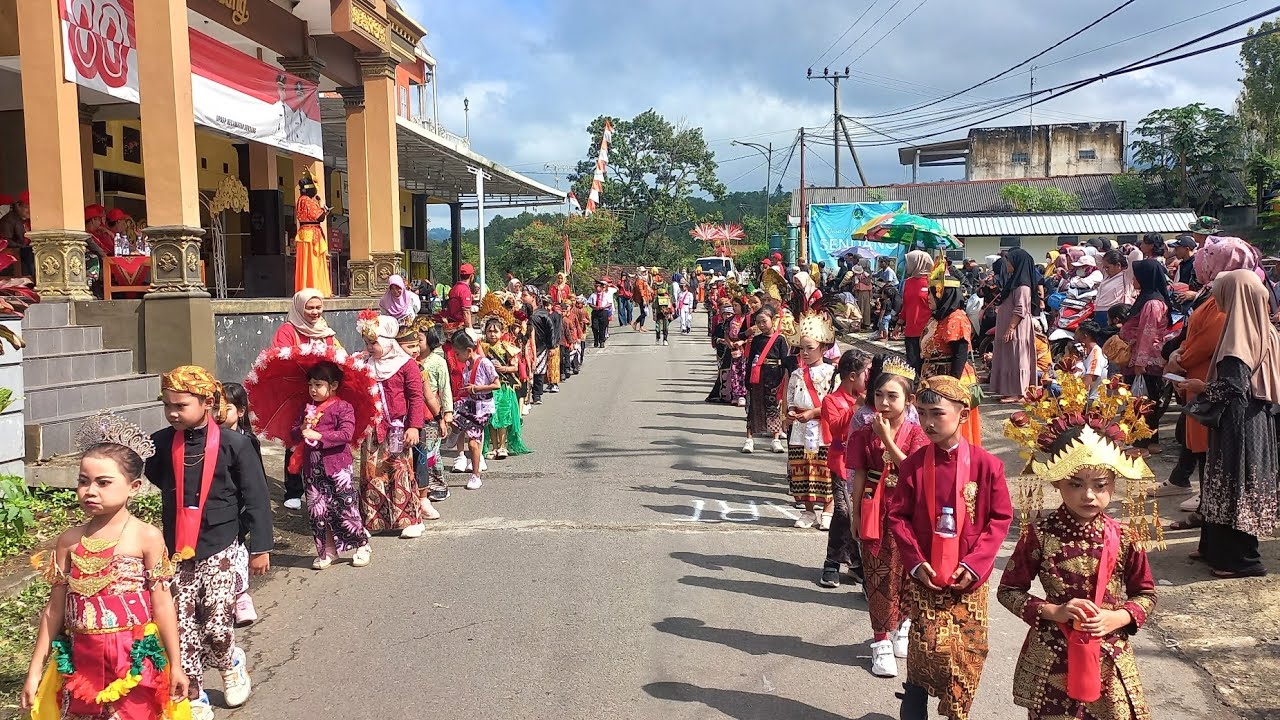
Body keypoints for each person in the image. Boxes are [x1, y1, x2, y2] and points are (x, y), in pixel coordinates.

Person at [21, 414, 189, 720]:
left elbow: (163, 604)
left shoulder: (146, 537)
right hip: (81, 659)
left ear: (134, 486)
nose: (90, 491)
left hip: (133, 658)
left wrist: (176, 665)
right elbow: (54, 610)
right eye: (83, 481)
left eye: (103, 482)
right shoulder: (69, 541)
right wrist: (34, 672)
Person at [998, 410, 1158, 720]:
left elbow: (1146, 594)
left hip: (1109, 654)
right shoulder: (1040, 534)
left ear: (1113, 482)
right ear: (1057, 481)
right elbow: (1008, 590)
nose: (1089, 495)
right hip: (1051, 654)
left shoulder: (1125, 536)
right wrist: (1053, 611)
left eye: (1100, 485)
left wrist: (1119, 617)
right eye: (1075, 484)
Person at [147, 367, 273, 718]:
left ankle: (231, 663)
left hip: (221, 545)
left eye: (181, 405)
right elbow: (157, 477)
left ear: (206, 402)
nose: (173, 413)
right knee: (182, 627)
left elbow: (256, 496)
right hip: (178, 551)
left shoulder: (235, 444)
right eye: (167, 405)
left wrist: (261, 547)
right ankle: (194, 693)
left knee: (217, 626)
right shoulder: (159, 443)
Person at [888, 375, 1013, 720]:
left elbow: (1000, 519)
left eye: (937, 413)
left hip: (968, 579)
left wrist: (974, 564)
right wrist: (915, 562)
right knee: (926, 644)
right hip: (926, 574)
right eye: (923, 413)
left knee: (969, 652)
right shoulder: (913, 465)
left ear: (962, 414)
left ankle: (957, 712)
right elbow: (898, 517)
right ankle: (914, 699)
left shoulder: (988, 466)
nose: (928, 422)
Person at [1179, 270, 1280, 578]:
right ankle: (1213, 548)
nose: (1216, 297)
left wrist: (1201, 387)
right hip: (1256, 418)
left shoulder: (1238, 336)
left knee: (1233, 481)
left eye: (1221, 291)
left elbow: (1233, 387)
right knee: (1222, 479)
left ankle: (1240, 560)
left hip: (1239, 423)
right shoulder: (1265, 329)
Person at [1163, 238, 1261, 508]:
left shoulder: (1234, 292)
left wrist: (1181, 359)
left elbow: (1211, 340)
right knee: (1200, 442)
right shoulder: (1213, 290)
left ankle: (1210, 503)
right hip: (1196, 374)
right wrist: (1177, 354)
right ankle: (1207, 502)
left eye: (1210, 257)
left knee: (1211, 447)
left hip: (1209, 376)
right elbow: (1192, 334)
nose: (1202, 262)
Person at [848, 359, 931, 678]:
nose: (884, 402)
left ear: (909, 400)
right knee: (879, 576)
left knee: (910, 573)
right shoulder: (863, 434)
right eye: (879, 394)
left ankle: (903, 625)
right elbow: (857, 476)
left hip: (911, 513)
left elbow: (916, 471)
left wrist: (888, 441)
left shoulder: (920, 435)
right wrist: (855, 513)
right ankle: (881, 641)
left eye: (892, 396)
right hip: (875, 510)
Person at [289, 361, 371, 570]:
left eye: (318, 385)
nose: (313, 390)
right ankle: (327, 550)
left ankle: (361, 545)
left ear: (333, 386)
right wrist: (302, 428)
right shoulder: (307, 409)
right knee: (318, 511)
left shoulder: (343, 407)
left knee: (344, 506)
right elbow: (293, 433)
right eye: (311, 385)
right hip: (312, 467)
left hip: (337, 466)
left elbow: (346, 434)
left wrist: (319, 435)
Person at [356, 314, 426, 539]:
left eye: (373, 343)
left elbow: (415, 397)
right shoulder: (364, 365)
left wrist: (414, 426)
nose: (370, 347)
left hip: (397, 429)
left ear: (387, 341)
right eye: (367, 343)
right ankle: (372, 520)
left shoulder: (407, 365)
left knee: (400, 472)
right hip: (371, 430)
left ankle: (412, 519)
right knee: (371, 473)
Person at [271, 289, 342, 510]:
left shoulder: (326, 330)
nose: (314, 312)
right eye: (309, 308)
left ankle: (323, 486)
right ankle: (293, 490)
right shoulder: (287, 330)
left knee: (323, 437)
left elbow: (336, 355)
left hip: (324, 394)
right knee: (296, 438)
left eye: (318, 307)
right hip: (297, 394)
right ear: (299, 308)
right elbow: (279, 359)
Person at [817, 348, 872, 588]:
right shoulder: (832, 400)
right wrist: (855, 408)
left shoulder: (871, 399)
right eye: (865, 374)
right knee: (842, 512)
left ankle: (857, 562)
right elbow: (837, 429)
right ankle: (831, 562)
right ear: (852, 376)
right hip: (841, 462)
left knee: (859, 514)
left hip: (863, 465)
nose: (868, 378)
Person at [784, 313, 838, 530]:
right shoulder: (797, 373)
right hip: (800, 427)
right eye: (802, 348)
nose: (805, 353)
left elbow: (835, 401)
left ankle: (828, 508)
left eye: (810, 348)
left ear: (823, 348)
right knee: (803, 469)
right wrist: (789, 411)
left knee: (825, 468)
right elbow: (789, 395)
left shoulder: (832, 373)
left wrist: (814, 412)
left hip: (822, 428)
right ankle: (808, 510)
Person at [919, 274, 982, 446]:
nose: (928, 298)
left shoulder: (956, 318)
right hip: (933, 375)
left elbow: (960, 355)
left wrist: (952, 387)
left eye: (932, 293)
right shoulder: (938, 316)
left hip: (951, 376)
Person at [218, 383, 260, 627]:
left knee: (239, 550)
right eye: (216, 407)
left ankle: (242, 596)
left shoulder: (247, 442)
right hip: (221, 504)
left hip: (240, 505)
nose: (220, 413)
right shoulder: (209, 440)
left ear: (241, 412)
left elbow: (255, 479)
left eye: (228, 408)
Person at [1119, 260, 1171, 453]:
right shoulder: (1147, 299)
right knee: (1147, 399)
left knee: (1143, 402)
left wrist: (1140, 362)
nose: (1133, 280)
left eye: (1136, 276)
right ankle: (1150, 441)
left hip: (1145, 360)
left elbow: (1147, 334)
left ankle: (1141, 444)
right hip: (1144, 358)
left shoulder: (1151, 303)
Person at [450, 330, 500, 490]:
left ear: (469, 350)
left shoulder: (484, 363)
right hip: (470, 403)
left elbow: (496, 384)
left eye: (458, 354)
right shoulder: (467, 366)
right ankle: (456, 431)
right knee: (452, 418)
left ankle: (475, 475)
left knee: (473, 443)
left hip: (483, 407)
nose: (457, 357)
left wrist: (477, 388)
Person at [991, 248, 1039, 403]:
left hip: (1017, 328)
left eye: (1010, 260)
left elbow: (1021, 309)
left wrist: (1010, 328)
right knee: (1009, 358)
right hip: (1010, 326)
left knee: (1017, 357)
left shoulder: (1023, 285)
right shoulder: (1014, 281)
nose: (1007, 264)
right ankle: (1009, 389)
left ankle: (1018, 392)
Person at [416, 323, 454, 502]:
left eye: (420, 340)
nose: (416, 343)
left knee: (432, 452)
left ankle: (439, 485)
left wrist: (447, 412)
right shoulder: (411, 361)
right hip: (416, 412)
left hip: (432, 411)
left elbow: (445, 388)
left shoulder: (438, 361)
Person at [743, 306, 788, 454]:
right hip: (757, 377)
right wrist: (747, 378)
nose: (761, 325)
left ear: (772, 320)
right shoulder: (756, 340)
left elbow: (784, 362)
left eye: (764, 321)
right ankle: (749, 439)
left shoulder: (780, 340)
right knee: (753, 407)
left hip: (774, 377)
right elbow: (750, 360)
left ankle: (775, 439)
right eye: (758, 322)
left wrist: (783, 381)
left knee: (773, 408)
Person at [482, 316, 530, 459]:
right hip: (488, 387)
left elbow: (515, 367)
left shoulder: (506, 347)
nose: (492, 334)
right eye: (489, 331)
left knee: (503, 417)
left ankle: (502, 446)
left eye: (495, 331)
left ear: (502, 332)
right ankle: (493, 446)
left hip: (503, 387)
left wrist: (503, 368)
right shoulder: (482, 348)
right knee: (490, 419)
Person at [293, 173, 331, 297]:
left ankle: (306, 287)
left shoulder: (301, 200)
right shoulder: (307, 201)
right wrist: (324, 209)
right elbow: (319, 217)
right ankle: (315, 288)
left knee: (306, 263)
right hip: (311, 235)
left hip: (305, 233)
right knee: (313, 263)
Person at [901, 251, 933, 372]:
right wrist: (899, 323)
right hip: (911, 330)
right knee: (912, 365)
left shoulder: (933, 282)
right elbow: (906, 304)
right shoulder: (908, 282)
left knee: (926, 364)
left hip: (928, 330)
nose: (907, 265)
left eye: (909, 262)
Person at [525, 288, 554, 405]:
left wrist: (551, 346)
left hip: (541, 346)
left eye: (525, 295)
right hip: (526, 347)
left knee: (539, 370)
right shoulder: (522, 313)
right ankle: (525, 396)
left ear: (533, 297)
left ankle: (537, 395)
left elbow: (551, 330)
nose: (523, 297)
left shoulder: (542, 314)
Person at [0, 190, 31, 276]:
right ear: (18, 206)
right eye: (26, 207)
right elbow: (6, 240)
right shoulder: (9, 220)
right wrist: (23, 247)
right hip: (14, 253)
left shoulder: (30, 220)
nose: (30, 210)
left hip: (24, 251)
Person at [1095, 250, 1136, 316]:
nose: (1105, 269)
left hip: (1114, 312)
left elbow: (1136, 254)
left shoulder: (1126, 275)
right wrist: (1110, 256)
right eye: (1104, 267)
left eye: (1108, 267)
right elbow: (1097, 256)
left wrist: (1123, 258)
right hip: (1099, 310)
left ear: (1118, 265)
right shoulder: (1106, 275)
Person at [1075, 321, 1107, 399]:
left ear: (1085, 337)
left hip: (1093, 400)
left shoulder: (1097, 354)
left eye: (1076, 335)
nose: (1074, 337)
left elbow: (1088, 382)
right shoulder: (1086, 352)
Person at [1170, 235, 1201, 305]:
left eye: (1177, 249)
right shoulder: (1182, 264)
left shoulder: (1196, 264)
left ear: (1187, 249)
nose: (1175, 252)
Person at [588, 280, 612, 348]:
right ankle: (596, 339)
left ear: (601, 287)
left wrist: (604, 307)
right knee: (595, 327)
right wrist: (594, 307)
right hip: (595, 312)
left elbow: (609, 303)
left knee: (603, 327)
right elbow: (589, 303)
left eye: (598, 287)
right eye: (596, 287)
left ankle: (601, 341)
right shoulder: (593, 295)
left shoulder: (606, 295)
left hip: (603, 311)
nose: (597, 288)